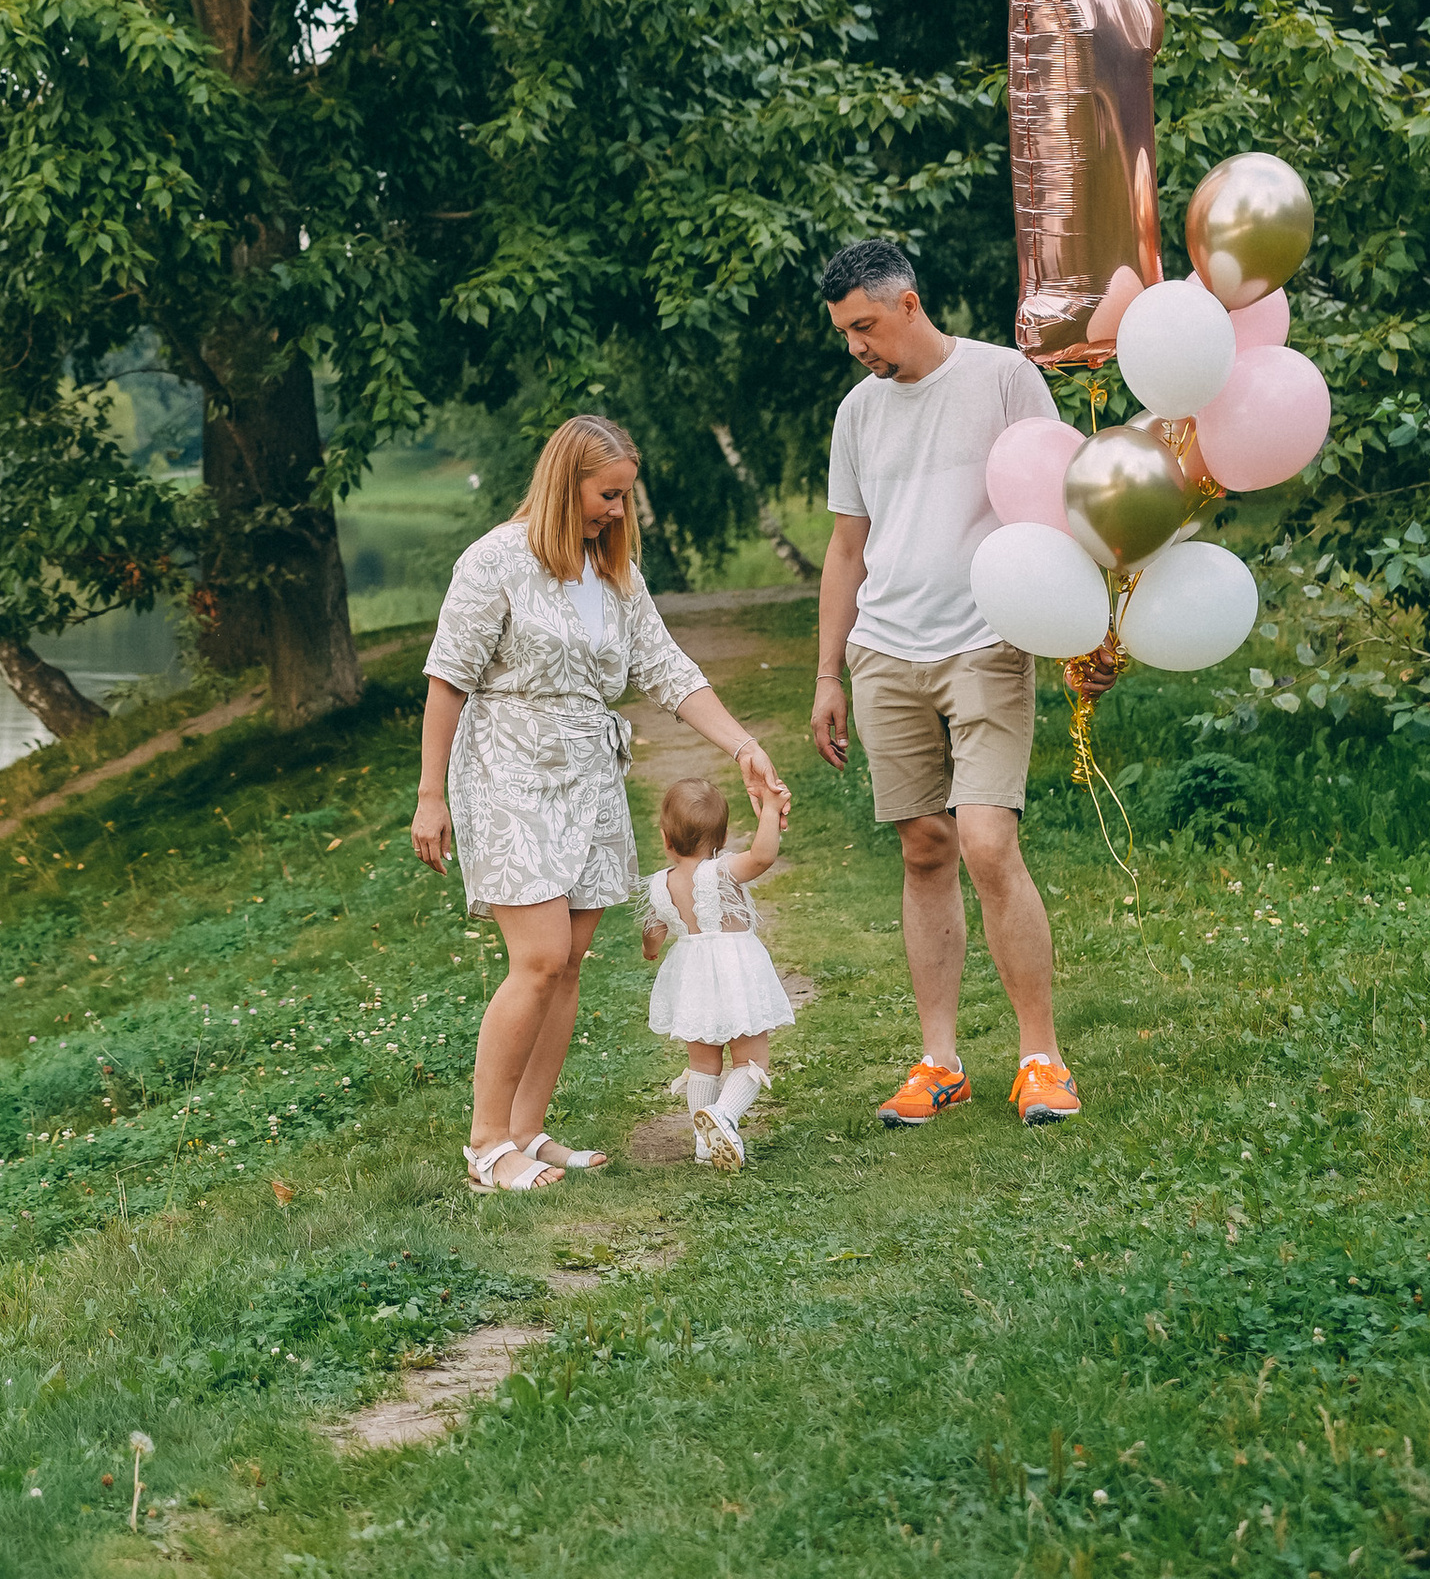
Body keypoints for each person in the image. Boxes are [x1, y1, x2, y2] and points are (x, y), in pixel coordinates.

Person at [411, 414, 785, 1193]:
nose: (618, 511)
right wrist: (429, 795)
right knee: (539, 957)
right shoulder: (494, 562)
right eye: (606, 495)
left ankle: (526, 1130)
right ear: (565, 482)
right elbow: (447, 679)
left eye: (623, 497)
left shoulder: (613, 573)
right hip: (509, 773)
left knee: (570, 961)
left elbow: (668, 670)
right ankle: (486, 1147)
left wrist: (743, 745)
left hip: (589, 777)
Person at [809, 235, 1082, 1128]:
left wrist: (1077, 620)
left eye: (865, 326)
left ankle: (1041, 1058)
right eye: (845, 333)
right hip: (885, 652)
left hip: (986, 642)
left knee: (987, 844)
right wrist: (828, 674)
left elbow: (1058, 503)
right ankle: (941, 1063)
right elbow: (846, 548)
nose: (857, 346)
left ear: (909, 303)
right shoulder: (858, 413)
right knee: (924, 848)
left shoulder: (1003, 379)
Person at [637, 769, 796, 1171]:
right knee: (751, 1060)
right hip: (736, 971)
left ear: (666, 839)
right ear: (723, 838)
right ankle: (723, 1115)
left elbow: (653, 935)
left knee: (703, 1065)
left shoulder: (660, 885)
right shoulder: (722, 871)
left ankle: (703, 1145)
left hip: (692, 978)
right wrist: (770, 809)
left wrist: (651, 951)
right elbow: (762, 856)